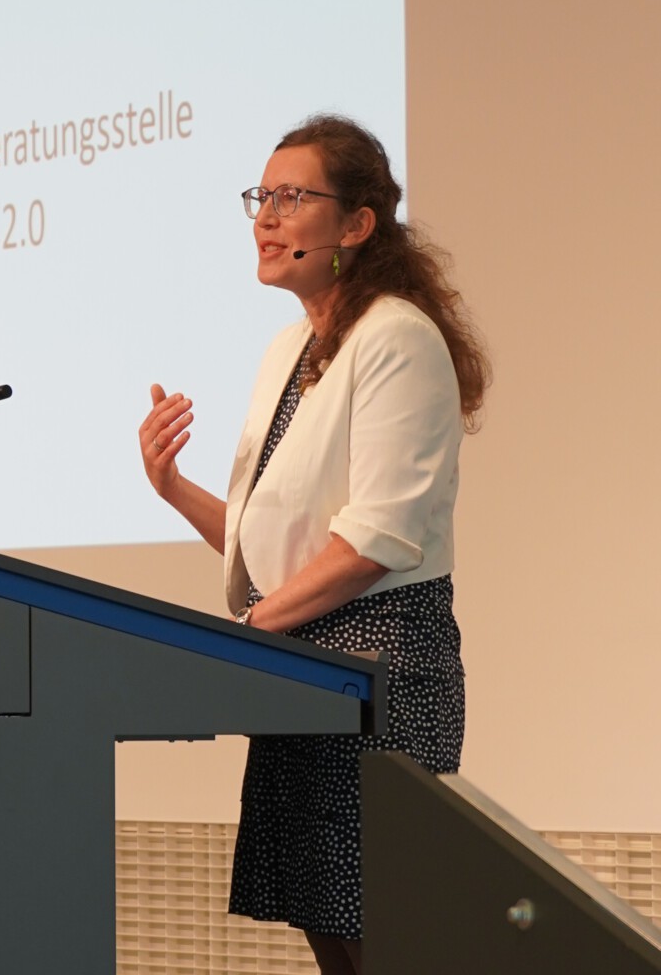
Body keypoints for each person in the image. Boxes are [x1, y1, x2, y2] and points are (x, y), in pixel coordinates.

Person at [138, 114, 489, 975]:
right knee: (330, 934)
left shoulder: (397, 337)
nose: (266, 217)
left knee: (384, 937)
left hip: (377, 670)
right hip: (300, 670)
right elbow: (274, 542)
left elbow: (374, 540)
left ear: (357, 223)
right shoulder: (291, 349)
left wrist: (249, 632)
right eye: (260, 197)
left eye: (292, 198)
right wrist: (174, 489)